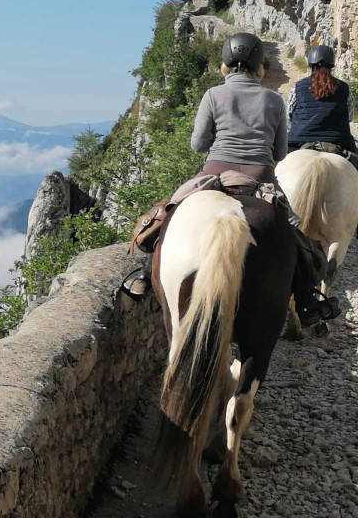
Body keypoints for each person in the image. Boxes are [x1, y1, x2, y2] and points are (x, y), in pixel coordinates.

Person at [124, 33, 338, 324]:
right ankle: (307, 298)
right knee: (291, 230)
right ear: (259, 65)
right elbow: (280, 151)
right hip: (260, 176)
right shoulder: (274, 99)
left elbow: (198, 145)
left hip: (214, 173)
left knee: (170, 212)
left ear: (225, 63)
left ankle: (145, 273)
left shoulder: (213, 95)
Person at [287, 44, 357, 153]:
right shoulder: (344, 88)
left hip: (298, 141)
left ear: (310, 65)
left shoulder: (297, 87)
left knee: (278, 164)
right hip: (338, 141)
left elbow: (289, 114)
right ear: (332, 66)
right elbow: (350, 117)